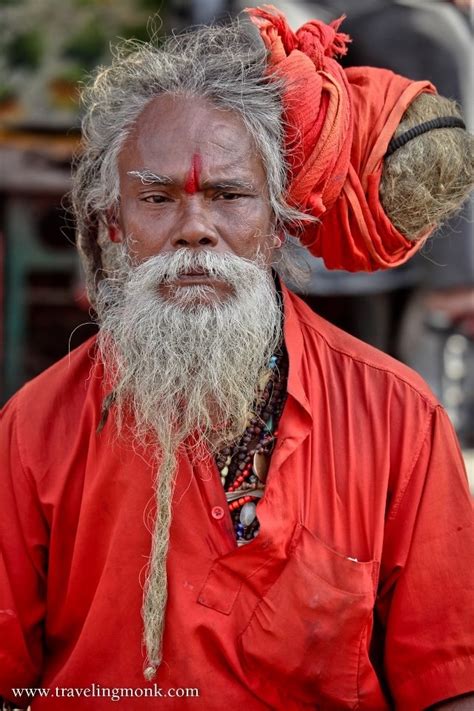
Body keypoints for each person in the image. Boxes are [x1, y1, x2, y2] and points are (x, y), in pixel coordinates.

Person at [1, 6, 473, 710]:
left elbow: (448, 681)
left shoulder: (399, 421)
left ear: (279, 224)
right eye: (157, 198)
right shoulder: (33, 430)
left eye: (228, 195)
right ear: (114, 225)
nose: (196, 229)